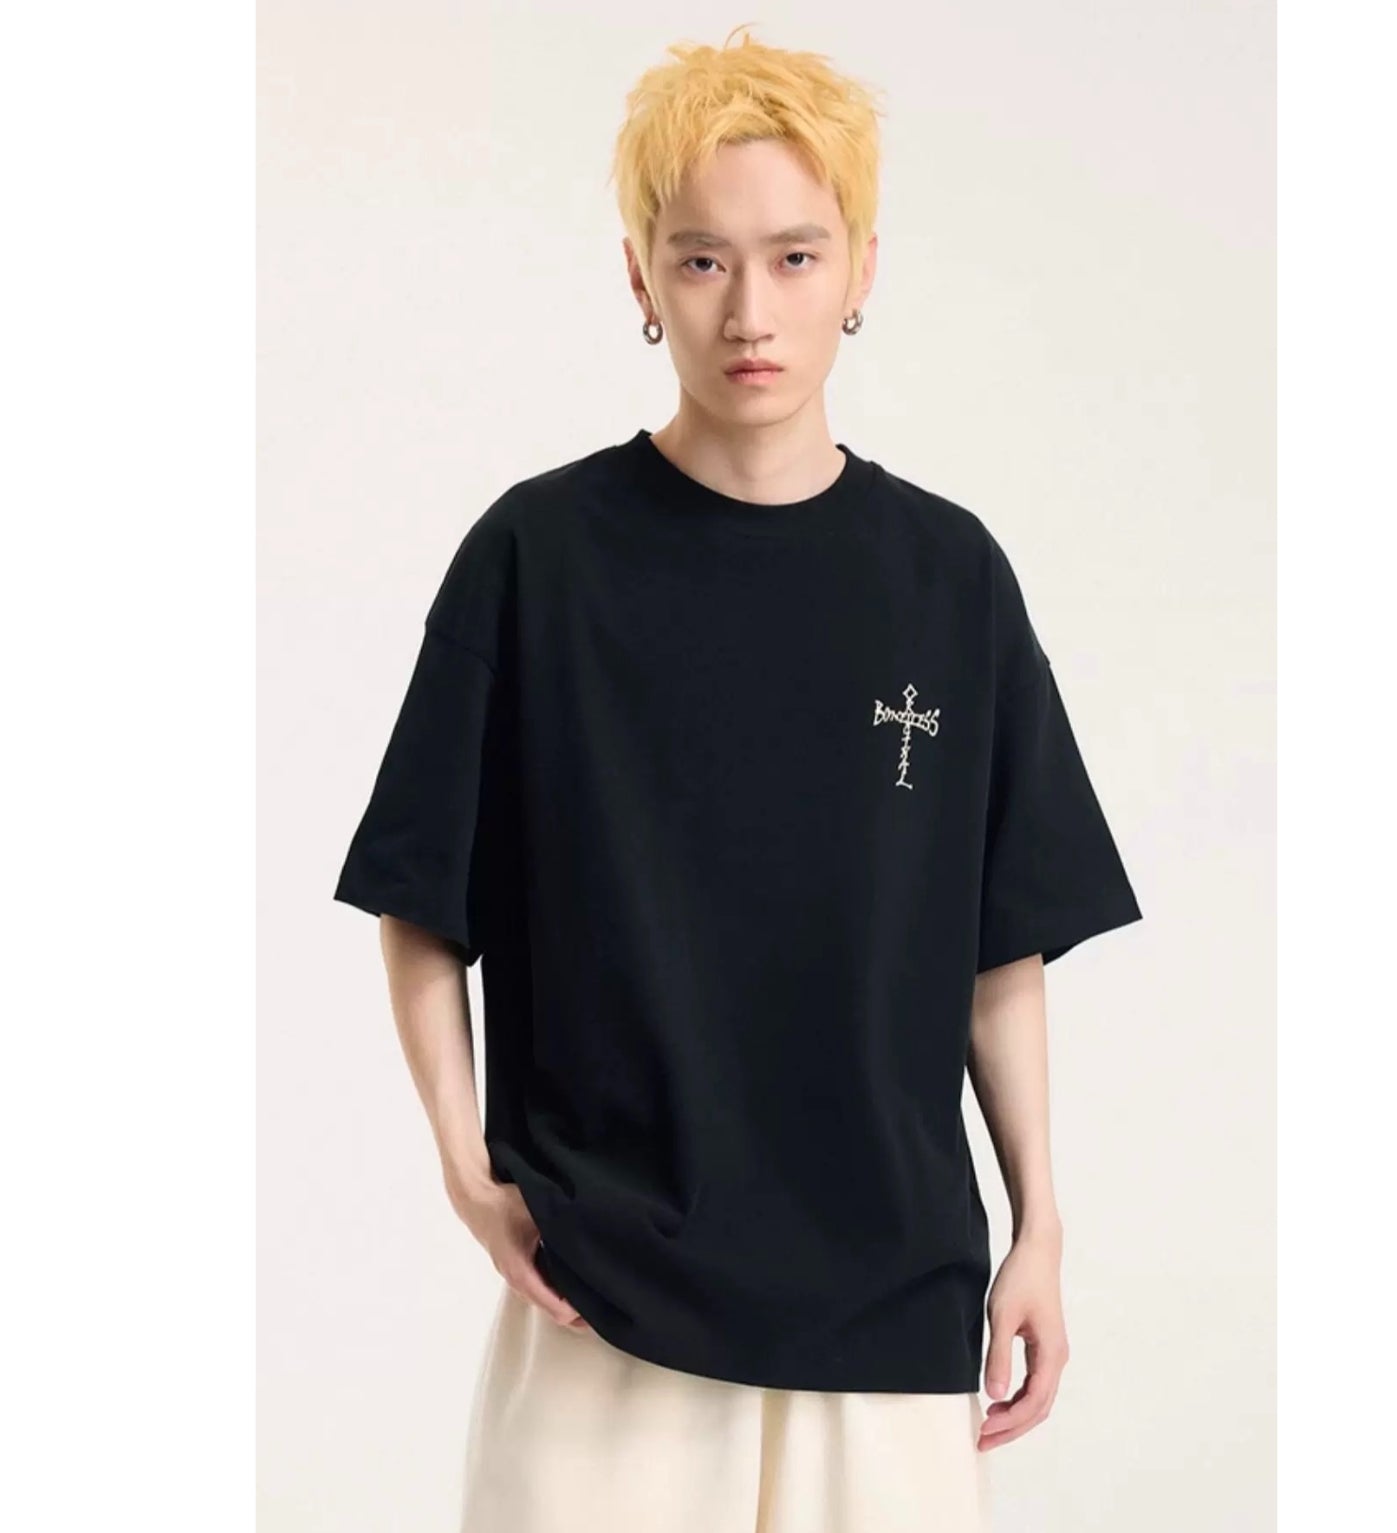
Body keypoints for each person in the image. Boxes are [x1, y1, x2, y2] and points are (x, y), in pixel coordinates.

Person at [333, 24, 1142, 1533]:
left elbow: (998, 944)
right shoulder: (539, 560)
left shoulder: (946, 578)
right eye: (701, 260)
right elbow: (420, 901)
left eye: (793, 256)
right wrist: (464, 1171)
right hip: (605, 1299)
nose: (750, 311)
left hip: (888, 1304)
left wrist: (1039, 1223)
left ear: (861, 270)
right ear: (640, 277)